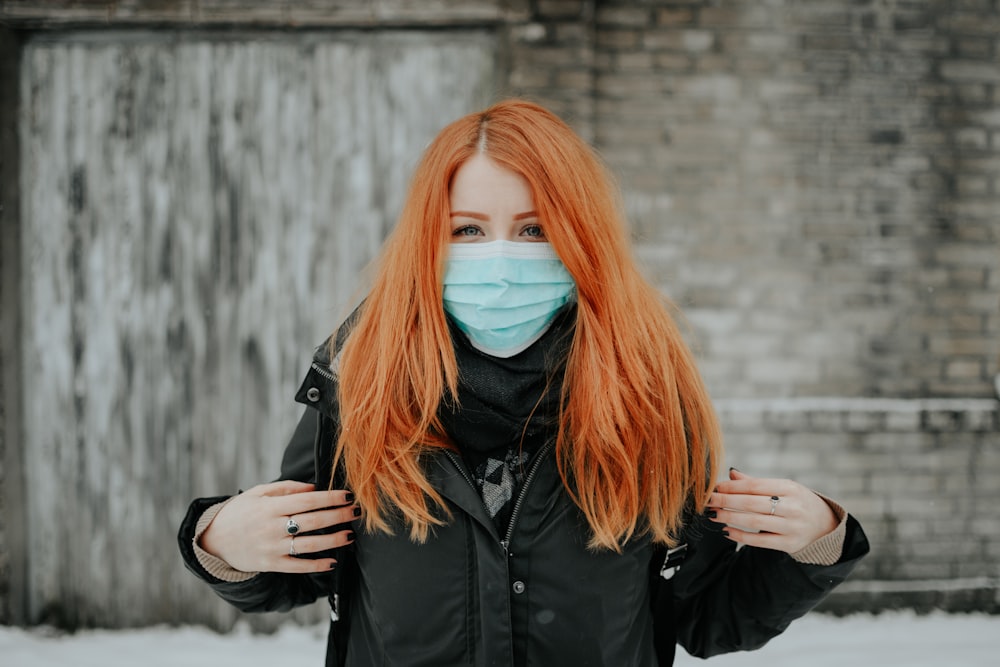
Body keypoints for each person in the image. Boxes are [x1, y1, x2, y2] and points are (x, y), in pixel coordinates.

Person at [178, 99, 869, 667]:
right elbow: (299, 567)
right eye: (469, 230)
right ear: (430, 240)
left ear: (581, 238)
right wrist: (220, 542)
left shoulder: (649, 398)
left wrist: (816, 543)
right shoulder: (361, 387)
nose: (501, 258)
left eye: (535, 228)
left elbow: (705, 614)